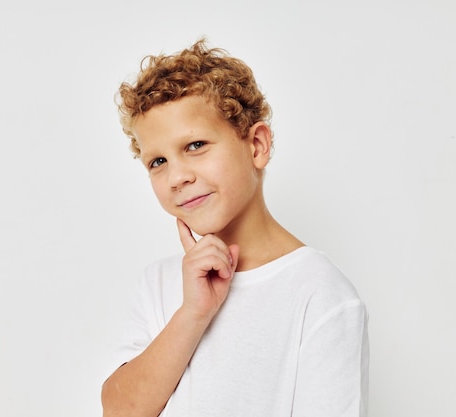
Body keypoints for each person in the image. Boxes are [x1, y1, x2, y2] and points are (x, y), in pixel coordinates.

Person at [102, 39, 369, 417]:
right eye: (157, 161)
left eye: (195, 145)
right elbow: (119, 411)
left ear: (256, 145)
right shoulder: (160, 282)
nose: (176, 176)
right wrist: (193, 313)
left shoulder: (319, 292)